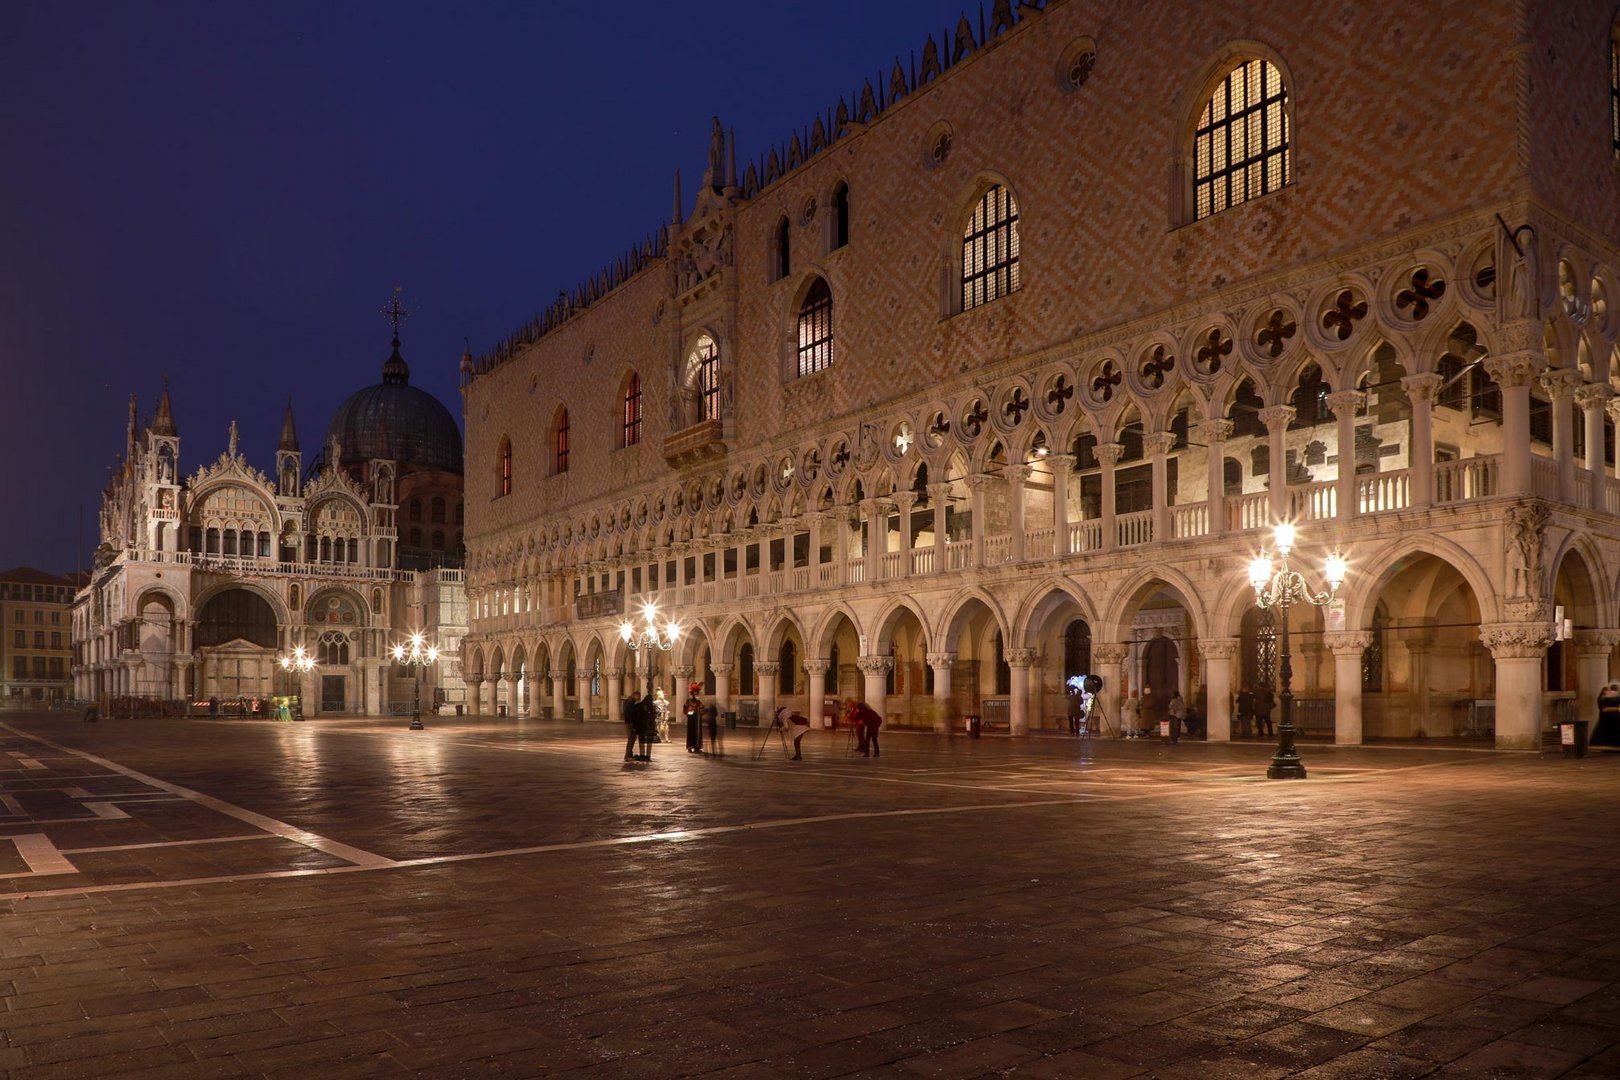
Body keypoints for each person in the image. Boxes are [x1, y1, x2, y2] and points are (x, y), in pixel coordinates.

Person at [1596, 682, 1620, 747]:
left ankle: (1605, 743)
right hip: (1615, 715)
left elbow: (1600, 704)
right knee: (1615, 729)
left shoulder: (1604, 696)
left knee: (1606, 730)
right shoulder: (1617, 696)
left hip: (1606, 715)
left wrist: (1602, 711)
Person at [635, 691, 656, 760]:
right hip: (649, 728)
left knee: (642, 741)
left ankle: (642, 755)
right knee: (649, 742)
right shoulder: (652, 708)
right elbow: (654, 717)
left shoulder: (639, 706)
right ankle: (648, 756)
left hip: (642, 727)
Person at [684, 683, 705, 753]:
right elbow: (685, 709)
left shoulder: (698, 702)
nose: (695, 694)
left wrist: (701, 713)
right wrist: (689, 713)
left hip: (697, 718)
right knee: (690, 732)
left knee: (697, 732)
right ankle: (690, 746)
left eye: (696, 693)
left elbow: (703, 708)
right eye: (694, 693)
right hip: (691, 719)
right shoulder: (688, 701)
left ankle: (697, 746)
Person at [623, 694, 642, 762]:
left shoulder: (627, 702)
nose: (639, 698)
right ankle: (627, 756)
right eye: (638, 696)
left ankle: (630, 755)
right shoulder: (631, 703)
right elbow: (632, 714)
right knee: (631, 739)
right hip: (630, 723)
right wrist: (634, 725)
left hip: (628, 722)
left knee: (631, 739)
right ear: (635, 695)